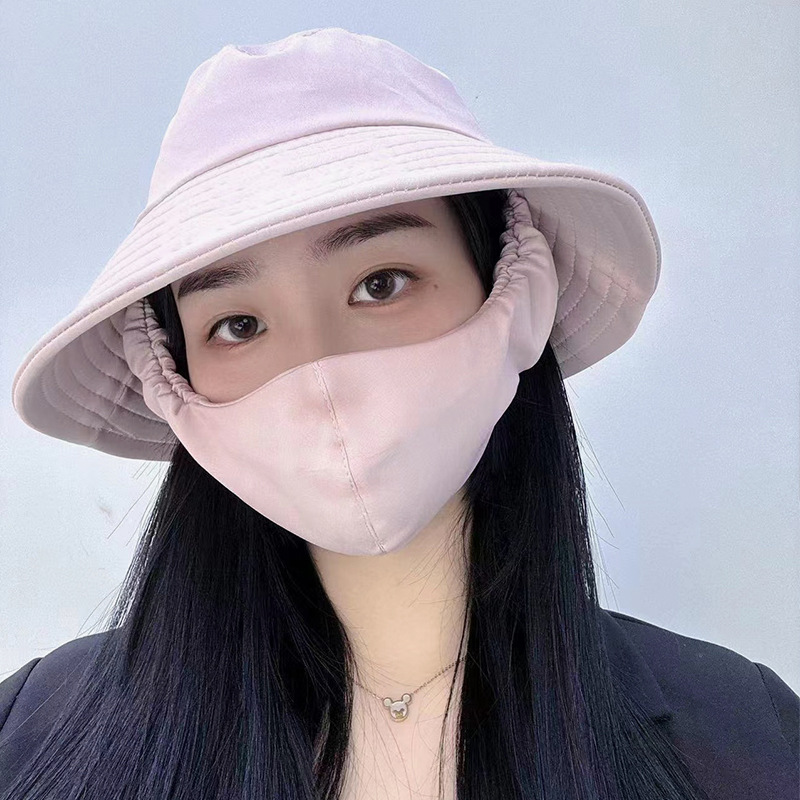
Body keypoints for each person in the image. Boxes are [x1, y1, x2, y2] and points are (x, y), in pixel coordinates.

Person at [1, 27, 797, 800]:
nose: (319, 373)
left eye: (380, 283)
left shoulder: (747, 737)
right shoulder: (28, 735)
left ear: (516, 289)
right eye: (238, 325)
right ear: (171, 380)